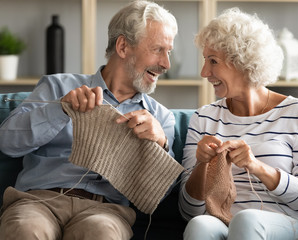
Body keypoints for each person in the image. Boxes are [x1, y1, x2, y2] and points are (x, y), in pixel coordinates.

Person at [0, 1, 177, 239]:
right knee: (26, 228)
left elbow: (159, 196)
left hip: (106, 211)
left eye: (169, 52)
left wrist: (160, 146)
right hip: (37, 201)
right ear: (123, 46)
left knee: (101, 233)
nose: (166, 63)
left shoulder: (161, 119)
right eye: (158, 49)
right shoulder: (57, 86)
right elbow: (7, 142)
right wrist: (60, 111)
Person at [178, 7, 298, 240]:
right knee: (200, 225)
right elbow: (189, 212)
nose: (204, 71)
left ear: (243, 62)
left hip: (292, 224)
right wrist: (201, 165)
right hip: (225, 223)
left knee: (247, 219)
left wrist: (255, 166)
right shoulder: (204, 118)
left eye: (213, 61)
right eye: (205, 60)